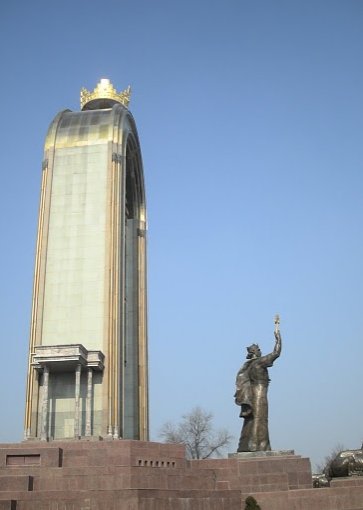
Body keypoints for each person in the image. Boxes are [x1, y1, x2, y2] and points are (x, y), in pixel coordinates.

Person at [234, 322, 282, 452]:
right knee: (260, 419)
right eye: (259, 350)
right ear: (255, 352)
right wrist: (278, 338)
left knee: (255, 419)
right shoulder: (259, 362)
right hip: (260, 394)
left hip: (254, 393)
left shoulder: (249, 365)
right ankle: (257, 446)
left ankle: (248, 445)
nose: (261, 351)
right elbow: (276, 353)